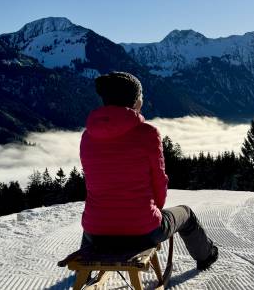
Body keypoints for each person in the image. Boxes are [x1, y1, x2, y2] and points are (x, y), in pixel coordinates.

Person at [79, 71, 218, 271]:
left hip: (95, 234)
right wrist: (155, 211)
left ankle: (87, 270)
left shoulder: (87, 137)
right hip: (142, 231)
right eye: (141, 97)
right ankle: (206, 256)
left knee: (97, 218)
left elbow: (93, 182)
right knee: (186, 213)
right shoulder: (148, 134)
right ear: (135, 101)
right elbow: (159, 181)